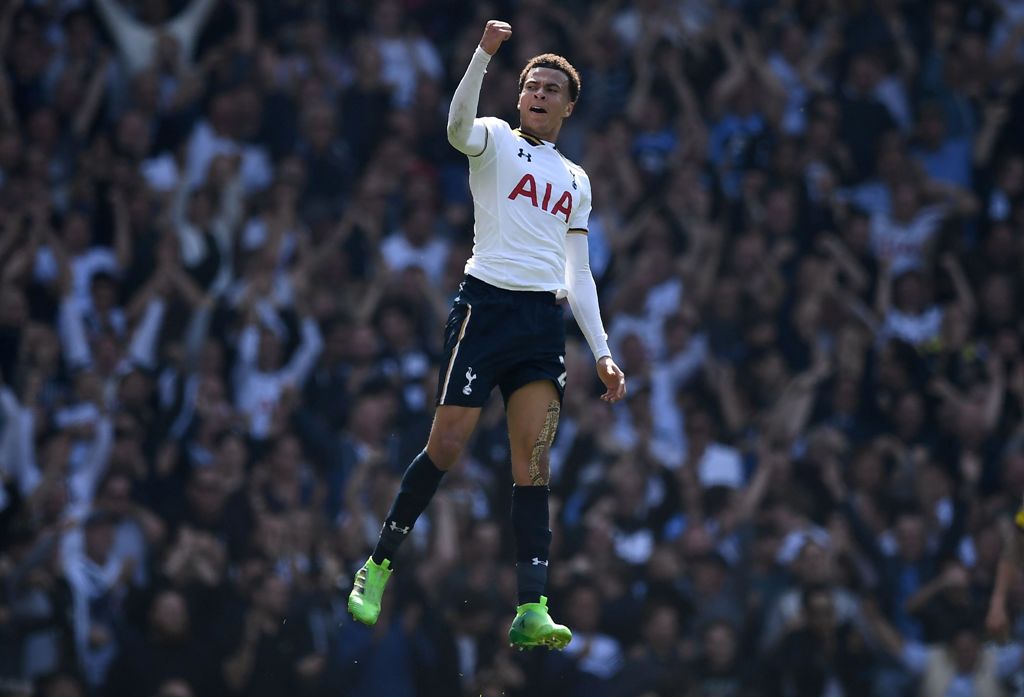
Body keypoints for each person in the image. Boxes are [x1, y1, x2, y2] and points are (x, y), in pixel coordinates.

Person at [346, 19, 627, 651]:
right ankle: (379, 564)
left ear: (569, 105)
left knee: (533, 464)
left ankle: (531, 606)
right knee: (445, 445)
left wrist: (604, 353)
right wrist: (482, 55)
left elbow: (577, 272)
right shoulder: (496, 139)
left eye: (552, 88)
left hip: (540, 322)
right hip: (486, 307)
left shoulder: (577, 180)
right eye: (531, 84)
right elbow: (453, 128)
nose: (539, 94)